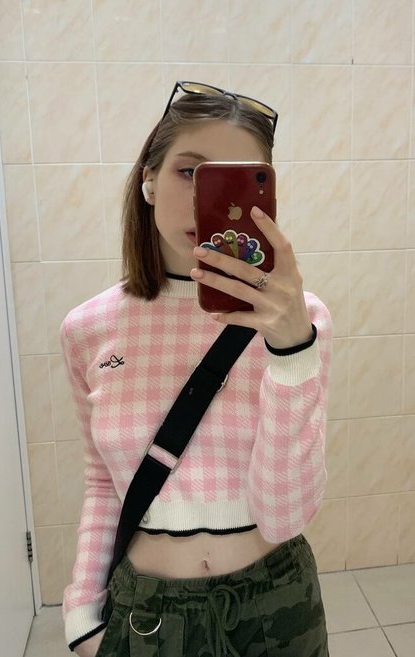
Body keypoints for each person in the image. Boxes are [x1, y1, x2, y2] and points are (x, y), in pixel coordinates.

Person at [60, 81, 333, 657]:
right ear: (148, 179)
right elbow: (102, 480)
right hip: (149, 610)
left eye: (238, 180)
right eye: (190, 172)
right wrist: (83, 610)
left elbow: (285, 515)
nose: (210, 200)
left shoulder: (301, 320)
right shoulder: (89, 328)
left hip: (277, 604)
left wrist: (290, 350)